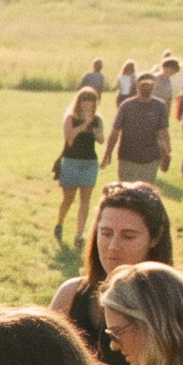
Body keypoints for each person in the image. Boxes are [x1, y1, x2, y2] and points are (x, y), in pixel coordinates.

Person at [51, 185, 173, 365]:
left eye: (128, 236)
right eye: (105, 233)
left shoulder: (167, 308)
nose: (113, 246)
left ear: (154, 239)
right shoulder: (72, 294)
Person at [55, 87, 105, 246]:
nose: (88, 104)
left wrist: (96, 132)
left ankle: (79, 235)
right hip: (71, 161)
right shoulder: (71, 118)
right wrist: (82, 126)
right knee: (68, 199)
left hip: (90, 162)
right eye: (85, 100)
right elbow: (69, 139)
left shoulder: (97, 119)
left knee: (85, 200)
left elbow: (101, 140)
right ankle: (60, 223)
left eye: (91, 101)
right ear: (79, 101)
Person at [105, 73, 171, 185]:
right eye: (143, 84)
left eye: (149, 85)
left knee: (145, 194)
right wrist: (108, 152)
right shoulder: (126, 106)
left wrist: (167, 153)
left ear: (153, 86)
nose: (146, 87)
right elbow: (115, 131)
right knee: (126, 193)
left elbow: (163, 132)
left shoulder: (159, 106)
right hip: (128, 157)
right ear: (137, 85)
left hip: (150, 159)